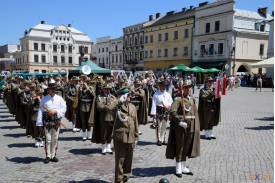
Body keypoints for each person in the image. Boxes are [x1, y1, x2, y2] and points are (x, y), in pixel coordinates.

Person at [166, 79, 200, 177]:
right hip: (181, 127)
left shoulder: (192, 99)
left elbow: (194, 113)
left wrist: (196, 126)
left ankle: (184, 166)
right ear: (182, 89)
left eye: (189, 88)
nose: (188, 90)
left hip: (191, 126)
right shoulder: (178, 99)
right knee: (180, 146)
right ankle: (178, 167)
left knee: (187, 146)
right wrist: (180, 122)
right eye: (186, 88)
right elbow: (172, 112)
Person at [36, 79, 66, 163]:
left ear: (55, 90)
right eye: (50, 89)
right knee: (48, 139)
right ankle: (48, 156)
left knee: (55, 139)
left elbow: (64, 108)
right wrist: (39, 121)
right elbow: (41, 109)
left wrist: (56, 111)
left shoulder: (59, 98)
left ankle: (53, 155)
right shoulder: (44, 98)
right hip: (47, 121)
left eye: (53, 89)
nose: (52, 90)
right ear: (48, 90)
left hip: (56, 121)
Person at [113, 87, 139, 183]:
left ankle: (125, 179)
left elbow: (135, 122)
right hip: (121, 138)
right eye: (127, 95)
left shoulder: (132, 107)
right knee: (120, 161)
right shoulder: (117, 107)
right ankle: (118, 181)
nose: (129, 97)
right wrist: (119, 102)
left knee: (129, 161)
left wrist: (136, 136)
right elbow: (112, 112)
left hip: (131, 137)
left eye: (129, 95)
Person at [92, 83, 118, 155]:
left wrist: (108, 106)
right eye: (105, 89)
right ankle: (103, 147)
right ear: (102, 89)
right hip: (103, 117)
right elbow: (99, 106)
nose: (107, 90)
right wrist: (108, 107)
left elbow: (116, 103)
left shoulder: (113, 97)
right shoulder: (99, 97)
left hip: (111, 117)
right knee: (103, 132)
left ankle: (108, 146)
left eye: (108, 89)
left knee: (110, 132)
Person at [151, 78, 173, 146]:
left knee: (164, 126)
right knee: (158, 126)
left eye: (164, 86)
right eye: (162, 86)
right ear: (159, 86)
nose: (163, 87)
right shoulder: (156, 94)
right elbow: (154, 104)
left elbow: (171, 102)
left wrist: (168, 106)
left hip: (166, 111)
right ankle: (159, 139)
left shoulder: (168, 94)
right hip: (159, 111)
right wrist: (154, 114)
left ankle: (163, 139)